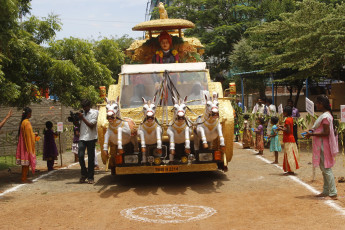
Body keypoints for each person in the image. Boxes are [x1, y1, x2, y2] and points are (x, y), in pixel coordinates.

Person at [305, 96, 338, 200]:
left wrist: (312, 134)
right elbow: (321, 130)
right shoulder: (325, 116)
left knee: (326, 168)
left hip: (323, 145)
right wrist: (312, 131)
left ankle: (332, 192)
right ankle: (326, 190)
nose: (316, 105)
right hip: (321, 145)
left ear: (322, 104)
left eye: (318, 103)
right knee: (324, 168)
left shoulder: (325, 117)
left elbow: (326, 132)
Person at [77, 99, 98, 184]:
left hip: (91, 137)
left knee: (91, 158)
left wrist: (82, 118)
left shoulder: (95, 113)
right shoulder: (82, 113)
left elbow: (91, 125)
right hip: (82, 137)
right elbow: (78, 125)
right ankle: (84, 174)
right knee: (80, 156)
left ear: (89, 106)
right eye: (83, 107)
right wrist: (76, 120)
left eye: (85, 107)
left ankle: (90, 177)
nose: (84, 108)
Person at [16, 107, 38, 183]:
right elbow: (29, 136)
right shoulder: (27, 123)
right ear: (28, 114)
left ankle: (24, 177)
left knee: (25, 163)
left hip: (23, 144)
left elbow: (27, 134)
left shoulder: (23, 122)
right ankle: (23, 178)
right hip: (26, 145)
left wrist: (32, 134)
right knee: (26, 163)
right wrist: (34, 135)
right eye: (30, 113)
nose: (31, 114)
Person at [279, 106, 299, 175]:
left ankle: (291, 169)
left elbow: (288, 130)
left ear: (286, 112)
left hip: (288, 138)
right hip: (290, 138)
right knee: (290, 154)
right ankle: (290, 169)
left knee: (289, 155)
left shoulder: (287, 120)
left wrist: (281, 129)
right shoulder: (291, 119)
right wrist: (282, 127)